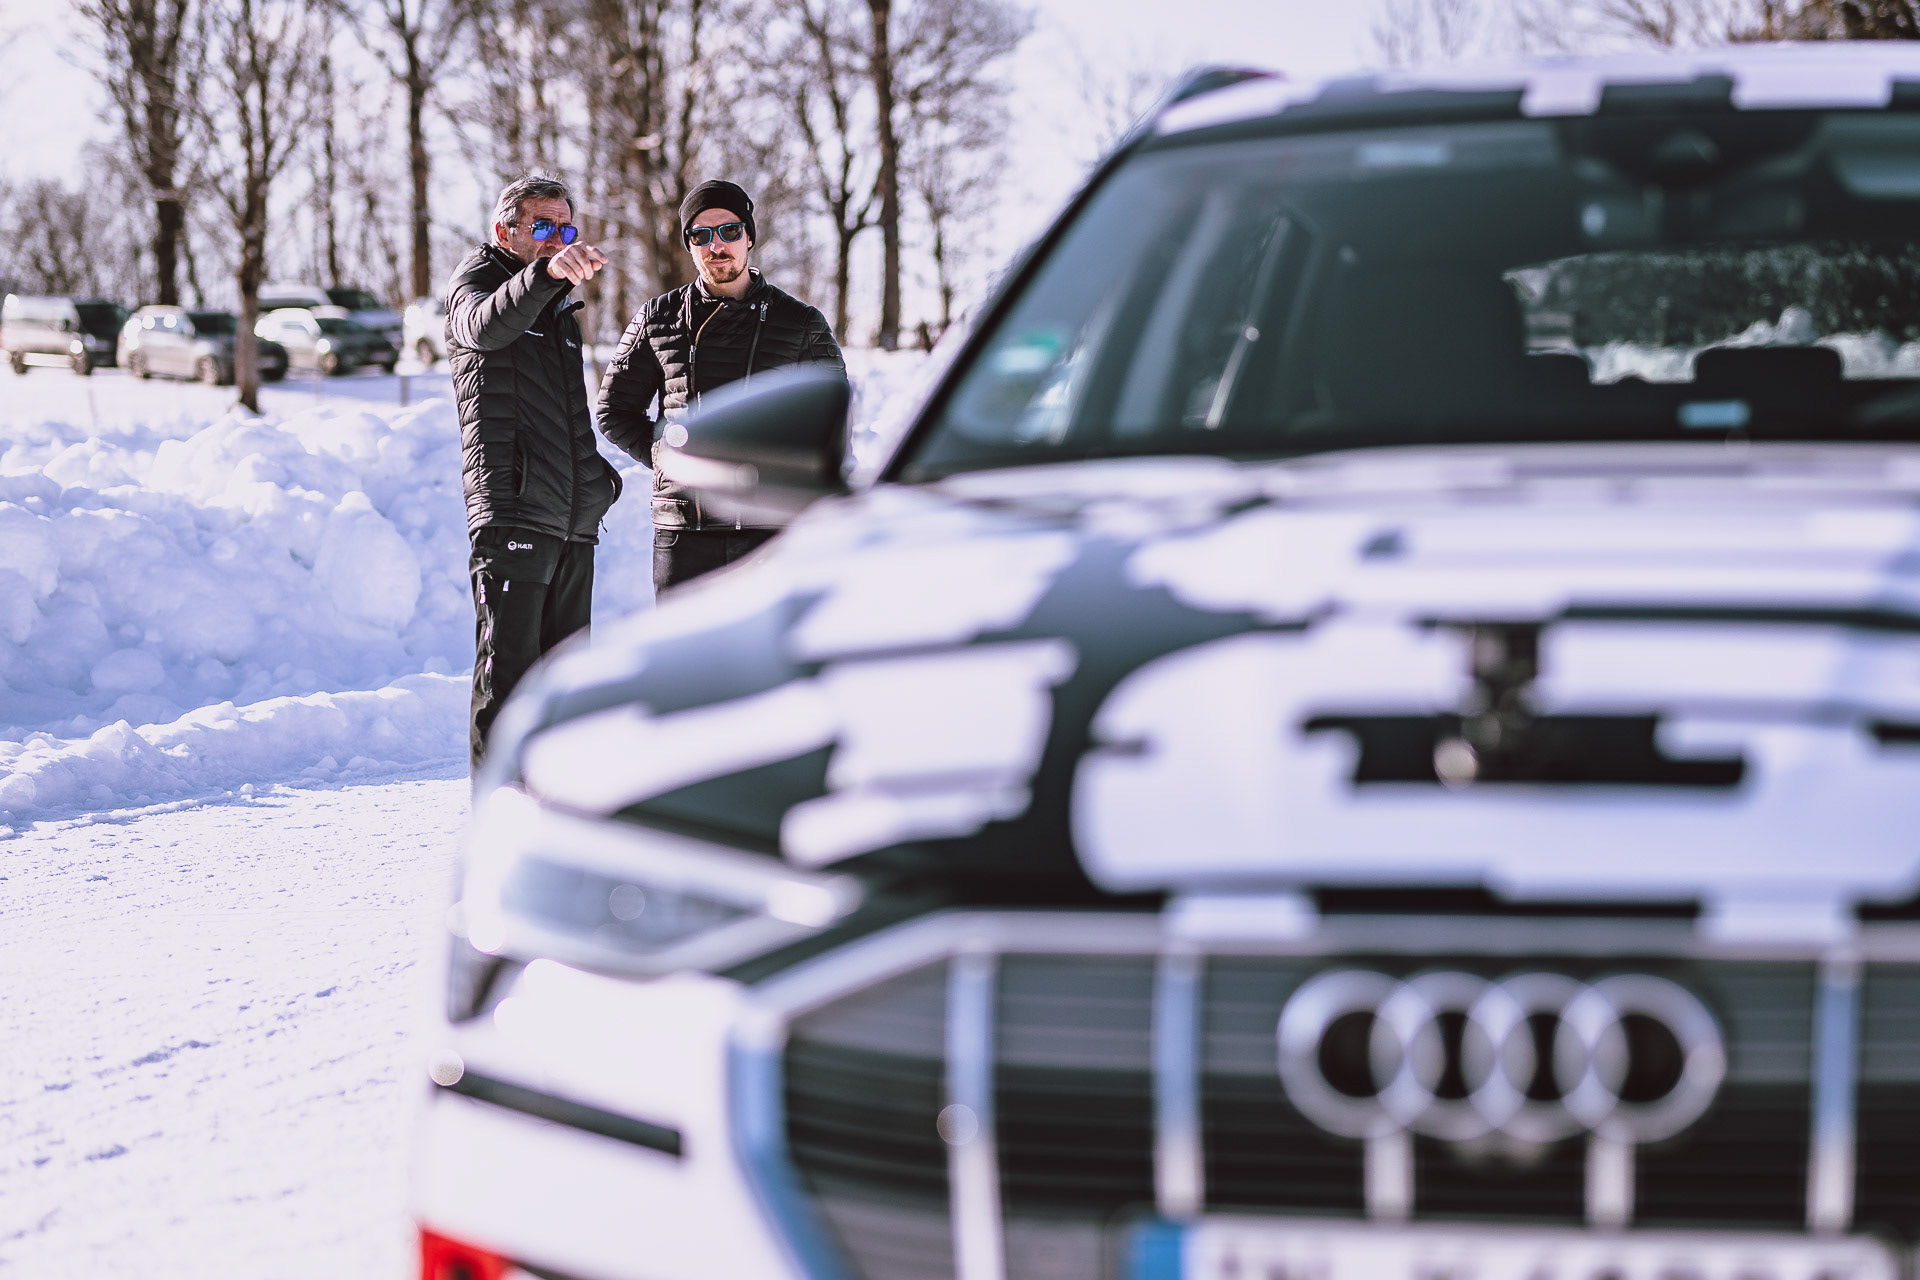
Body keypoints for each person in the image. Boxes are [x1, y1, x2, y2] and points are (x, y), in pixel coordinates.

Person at [596, 179, 846, 593]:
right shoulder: (658, 318)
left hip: (772, 530)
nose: (717, 246)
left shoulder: (800, 322)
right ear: (689, 245)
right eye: (702, 235)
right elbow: (613, 411)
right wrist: (670, 458)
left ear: (749, 236)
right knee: (682, 657)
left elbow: (832, 419)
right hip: (685, 531)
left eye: (730, 231)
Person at [448, 173, 619, 770]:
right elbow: (484, 327)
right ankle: (499, 834)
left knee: (566, 687)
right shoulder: (477, 282)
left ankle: (559, 825)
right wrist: (544, 275)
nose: (555, 241)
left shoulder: (558, 315)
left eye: (564, 229)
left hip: (570, 521)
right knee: (510, 688)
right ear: (505, 230)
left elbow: (570, 419)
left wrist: (599, 481)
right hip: (514, 513)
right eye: (541, 227)